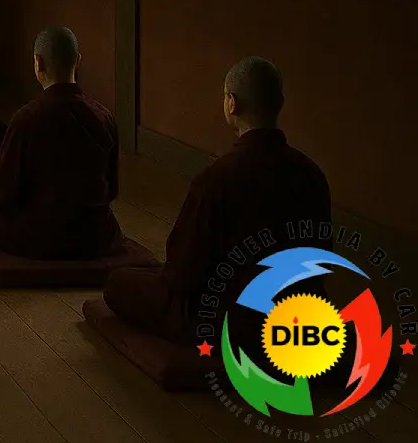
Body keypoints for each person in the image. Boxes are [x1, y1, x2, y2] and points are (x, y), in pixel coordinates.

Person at [103, 57, 331, 342]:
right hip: (297, 315)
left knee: (119, 283)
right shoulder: (312, 175)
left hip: (231, 319)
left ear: (232, 104)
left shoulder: (217, 177)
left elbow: (182, 276)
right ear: (280, 103)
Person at [0, 26, 122, 259]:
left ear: (38, 64)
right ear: (77, 62)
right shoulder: (104, 116)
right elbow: (111, 189)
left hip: (40, 234)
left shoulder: (28, 118)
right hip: (95, 235)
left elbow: (1, 192)